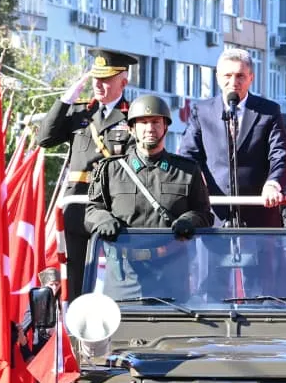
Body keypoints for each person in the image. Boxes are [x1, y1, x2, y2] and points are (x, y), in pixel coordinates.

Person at [85, 94, 213, 300]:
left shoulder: (187, 170)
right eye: (143, 123)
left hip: (170, 272)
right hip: (123, 274)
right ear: (131, 129)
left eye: (155, 122)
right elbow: (92, 210)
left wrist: (189, 220)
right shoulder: (111, 170)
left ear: (166, 127)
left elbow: (204, 213)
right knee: (120, 322)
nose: (149, 128)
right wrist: (103, 220)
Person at [37, 49, 137, 299]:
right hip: (78, 206)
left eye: (106, 80)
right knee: (75, 280)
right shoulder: (79, 112)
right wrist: (66, 99)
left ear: (123, 82)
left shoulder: (133, 116)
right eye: (96, 79)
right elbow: (45, 139)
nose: (99, 85)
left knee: (118, 278)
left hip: (113, 207)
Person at [182, 49, 286, 228]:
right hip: (214, 214)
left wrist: (273, 183)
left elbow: (280, 154)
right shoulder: (201, 112)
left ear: (251, 78)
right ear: (218, 77)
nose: (233, 82)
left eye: (240, 76)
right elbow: (188, 155)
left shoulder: (268, 111)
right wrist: (198, 183)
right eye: (228, 75)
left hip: (259, 214)